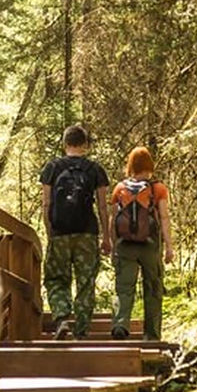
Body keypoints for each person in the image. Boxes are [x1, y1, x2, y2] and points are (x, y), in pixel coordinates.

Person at [39, 125, 111, 339]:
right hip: (87, 232)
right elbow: (102, 206)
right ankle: (81, 332)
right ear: (85, 145)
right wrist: (106, 237)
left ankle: (61, 319)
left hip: (60, 232)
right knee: (86, 281)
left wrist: (50, 231)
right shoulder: (95, 170)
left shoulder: (52, 168)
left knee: (56, 279)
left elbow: (46, 203)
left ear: (65, 144)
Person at [109, 146, 174, 341]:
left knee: (124, 287)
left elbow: (114, 220)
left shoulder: (119, 189)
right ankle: (151, 334)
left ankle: (120, 324)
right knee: (153, 288)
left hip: (125, 244)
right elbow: (163, 218)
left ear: (131, 166)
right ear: (149, 166)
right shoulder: (158, 189)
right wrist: (169, 246)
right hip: (150, 245)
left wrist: (113, 245)